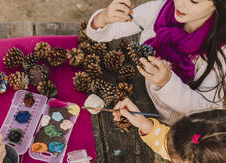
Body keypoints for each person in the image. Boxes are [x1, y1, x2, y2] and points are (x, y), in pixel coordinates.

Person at [86, 0, 226, 125]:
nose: (180, 3)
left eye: (194, 1)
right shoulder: (161, 9)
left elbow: (207, 110)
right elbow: (106, 32)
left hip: (177, 125)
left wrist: (167, 83)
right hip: (142, 96)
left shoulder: (219, 52)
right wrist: (102, 18)